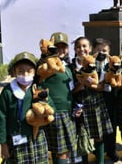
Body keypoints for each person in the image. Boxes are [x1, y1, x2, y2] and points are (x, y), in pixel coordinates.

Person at [0, 51, 50, 163]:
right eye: (20, 71)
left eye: (29, 70)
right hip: (16, 140)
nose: (25, 74)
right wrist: (3, 144)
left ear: (35, 71)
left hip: (36, 137)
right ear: (14, 72)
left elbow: (50, 107)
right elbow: (1, 118)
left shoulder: (39, 88)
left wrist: (44, 111)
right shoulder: (8, 92)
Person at [72, 36, 113, 164]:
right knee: (83, 136)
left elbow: (104, 86)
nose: (82, 49)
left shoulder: (98, 64)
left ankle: (100, 161)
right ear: (75, 49)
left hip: (96, 103)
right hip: (80, 105)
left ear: (90, 49)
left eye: (84, 46)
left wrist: (92, 85)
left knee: (98, 135)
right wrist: (81, 84)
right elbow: (71, 91)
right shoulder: (70, 66)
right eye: (78, 47)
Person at [40, 32, 77, 164]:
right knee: (62, 151)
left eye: (64, 47)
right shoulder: (47, 65)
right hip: (56, 111)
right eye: (57, 47)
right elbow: (39, 83)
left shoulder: (65, 66)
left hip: (68, 111)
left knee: (63, 150)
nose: (61, 50)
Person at [92, 38, 120, 162]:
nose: (102, 53)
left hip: (111, 98)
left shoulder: (113, 62)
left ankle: (111, 150)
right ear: (93, 50)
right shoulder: (91, 63)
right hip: (97, 98)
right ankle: (100, 151)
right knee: (99, 127)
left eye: (104, 50)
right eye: (98, 50)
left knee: (112, 126)